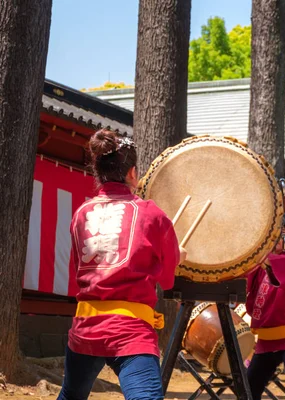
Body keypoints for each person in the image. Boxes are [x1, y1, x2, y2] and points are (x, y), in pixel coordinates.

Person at [58, 129, 186, 400]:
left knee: (71, 396)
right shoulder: (151, 213)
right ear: (132, 173)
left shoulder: (82, 212)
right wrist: (178, 256)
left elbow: (79, 272)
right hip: (130, 331)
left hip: (86, 327)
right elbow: (167, 279)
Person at [245, 213, 285, 400]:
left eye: (282, 235)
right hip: (265, 339)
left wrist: (262, 256)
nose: (276, 241)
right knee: (249, 390)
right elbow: (244, 279)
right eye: (271, 235)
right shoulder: (259, 263)